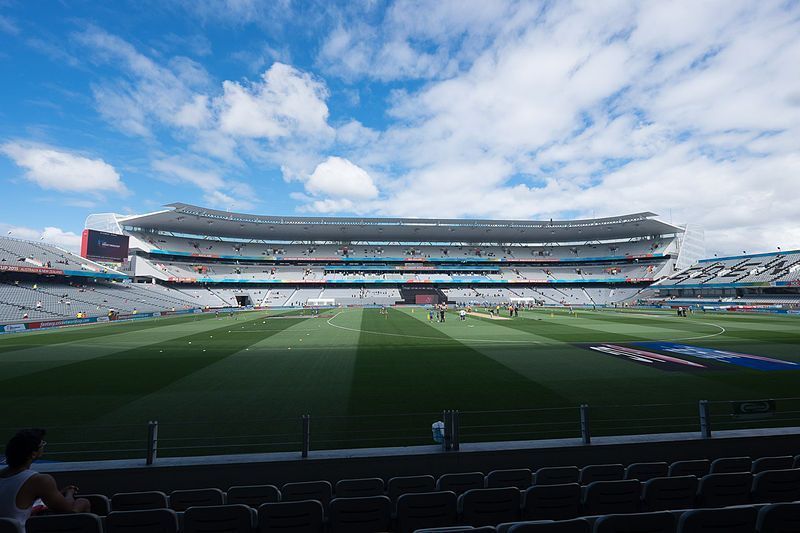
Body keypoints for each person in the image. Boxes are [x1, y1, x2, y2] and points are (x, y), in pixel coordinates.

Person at [0, 429, 90, 527]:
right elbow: (69, 511)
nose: (43, 446)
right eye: (42, 444)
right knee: (83, 502)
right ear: (33, 454)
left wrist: (59, 493)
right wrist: (70, 493)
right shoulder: (40, 480)